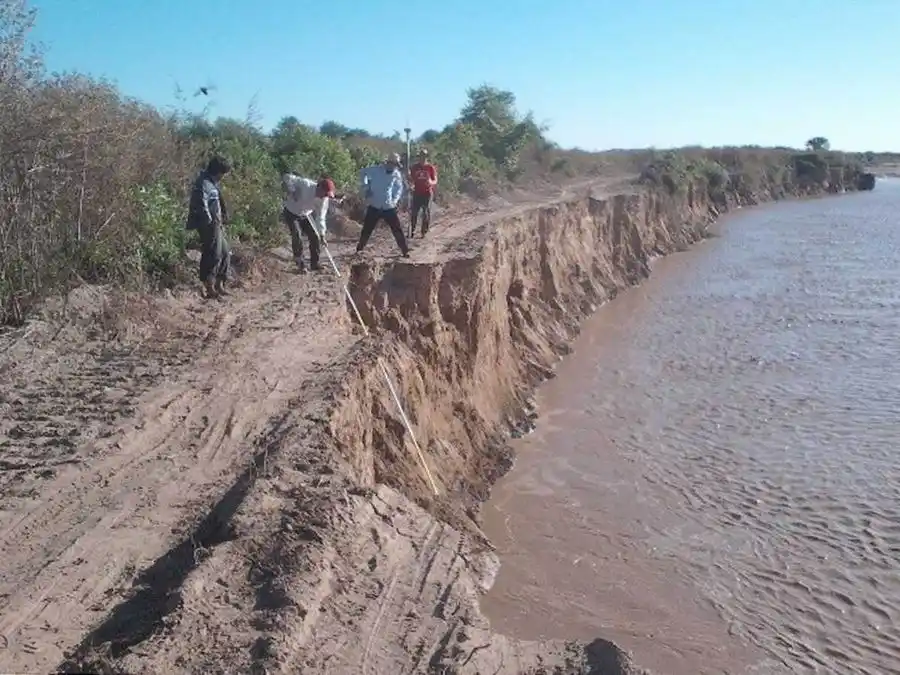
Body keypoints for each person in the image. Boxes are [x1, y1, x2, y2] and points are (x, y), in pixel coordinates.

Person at [186, 156, 232, 299]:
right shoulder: (203, 183)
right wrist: (209, 221)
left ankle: (220, 283)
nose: (223, 177)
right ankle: (209, 286)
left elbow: (218, 201)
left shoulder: (212, 183)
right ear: (218, 171)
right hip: (209, 224)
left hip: (216, 223)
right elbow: (201, 203)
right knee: (213, 253)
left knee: (225, 252)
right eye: (223, 173)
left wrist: (223, 217)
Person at [356, 152, 410, 257]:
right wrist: (365, 187)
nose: (394, 166)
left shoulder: (396, 174)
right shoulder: (375, 170)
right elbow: (362, 172)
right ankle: (359, 249)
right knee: (367, 229)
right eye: (392, 164)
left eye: (396, 165)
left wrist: (395, 200)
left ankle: (405, 251)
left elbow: (399, 188)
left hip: (388, 206)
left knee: (397, 229)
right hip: (374, 205)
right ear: (388, 162)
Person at [282, 173, 336, 273]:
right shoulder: (305, 184)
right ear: (319, 187)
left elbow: (321, 217)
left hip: (306, 214)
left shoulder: (324, 200)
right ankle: (300, 263)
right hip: (291, 212)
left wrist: (322, 235)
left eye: (327, 195)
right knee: (297, 235)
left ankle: (315, 263)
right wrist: (293, 190)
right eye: (324, 193)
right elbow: (287, 177)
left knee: (315, 236)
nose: (325, 196)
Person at [408, 148, 437, 237]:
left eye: (424, 156)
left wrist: (431, 182)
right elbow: (411, 179)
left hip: (427, 193)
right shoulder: (414, 167)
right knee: (414, 212)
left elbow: (435, 180)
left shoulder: (430, 167)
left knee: (425, 212)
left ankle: (424, 231)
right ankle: (412, 230)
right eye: (421, 156)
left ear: (426, 157)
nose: (422, 158)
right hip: (417, 192)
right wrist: (410, 184)